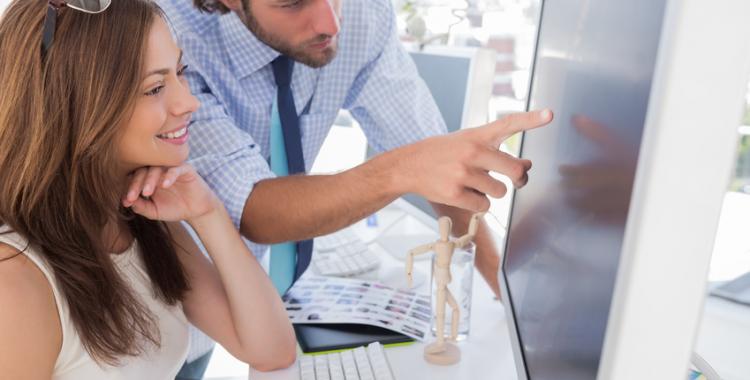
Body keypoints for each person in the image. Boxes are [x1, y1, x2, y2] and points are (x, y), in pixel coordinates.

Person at [157, 0, 553, 376]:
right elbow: (250, 209)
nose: (330, 24)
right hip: (161, 303)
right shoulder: (171, 37)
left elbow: (434, 155)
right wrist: (400, 170)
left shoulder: (361, 14)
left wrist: (503, 286)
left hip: (220, 320)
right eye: (294, 3)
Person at [0, 0, 295, 378]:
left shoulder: (142, 221)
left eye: (180, 72)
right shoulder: (15, 281)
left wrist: (209, 213)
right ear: (77, 105)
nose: (188, 102)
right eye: (155, 88)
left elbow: (271, 351)